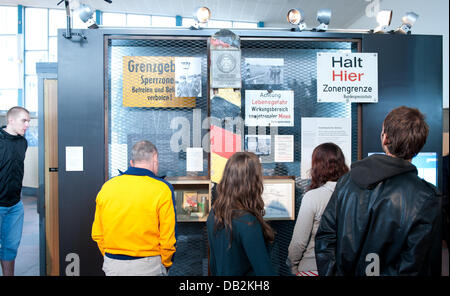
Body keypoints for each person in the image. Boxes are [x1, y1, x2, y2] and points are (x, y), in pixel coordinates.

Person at [315, 106, 441, 276]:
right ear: (419, 145)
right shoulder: (427, 197)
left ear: (384, 138)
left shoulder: (347, 181)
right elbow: (415, 264)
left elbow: (325, 239)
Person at [91, 140, 176, 276]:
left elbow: (97, 234)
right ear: (155, 158)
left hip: (113, 264)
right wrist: (165, 264)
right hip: (149, 266)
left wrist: (111, 257)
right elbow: (168, 237)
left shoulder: (107, 187)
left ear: (131, 162)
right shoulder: (162, 189)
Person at [207, 152, 276, 275]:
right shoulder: (247, 221)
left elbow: (213, 264)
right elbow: (264, 271)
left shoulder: (214, 214)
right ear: (252, 182)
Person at [288, 143, 348, 276]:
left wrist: (292, 265)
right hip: (346, 267)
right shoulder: (354, 194)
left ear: (317, 166)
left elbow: (299, 241)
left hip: (313, 266)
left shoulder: (313, 197)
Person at [0, 106, 30, 276]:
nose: (27, 125)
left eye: (28, 122)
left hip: (15, 205)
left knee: (10, 248)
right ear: (11, 120)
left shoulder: (22, 142)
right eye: (23, 121)